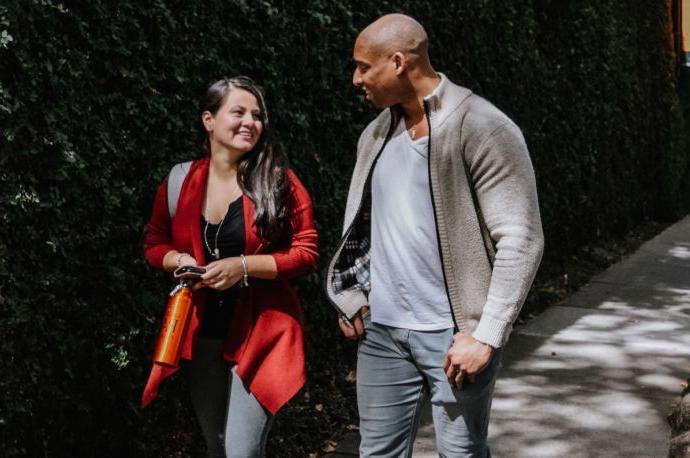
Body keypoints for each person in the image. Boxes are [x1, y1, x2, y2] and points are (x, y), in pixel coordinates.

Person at [324, 14, 544, 457]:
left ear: (399, 62)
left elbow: (521, 237)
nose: (356, 78)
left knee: (460, 454)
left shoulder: (482, 126)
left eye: (364, 66)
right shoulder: (374, 135)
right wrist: (351, 295)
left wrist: (486, 335)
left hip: (454, 335)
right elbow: (368, 228)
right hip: (383, 334)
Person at [141, 76, 318, 457]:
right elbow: (155, 243)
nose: (250, 122)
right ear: (209, 119)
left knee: (241, 451)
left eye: (257, 115)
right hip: (201, 331)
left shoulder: (278, 182)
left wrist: (244, 266)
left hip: (262, 331)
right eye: (238, 112)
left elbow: (306, 252)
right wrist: (179, 260)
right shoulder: (180, 180)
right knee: (216, 446)